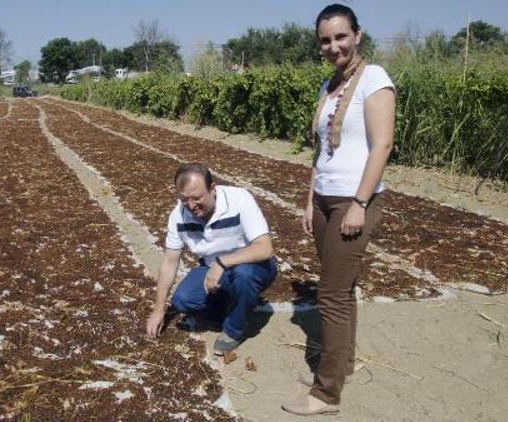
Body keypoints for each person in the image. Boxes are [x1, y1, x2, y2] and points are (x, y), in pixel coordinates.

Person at [280, 3, 397, 416]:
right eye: (325, 40)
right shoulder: (327, 87)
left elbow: (382, 145)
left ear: (357, 35)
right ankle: (341, 366)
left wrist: (360, 204)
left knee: (329, 295)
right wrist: (309, 200)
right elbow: (321, 152)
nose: (333, 46)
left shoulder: (375, 78)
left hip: (353, 200)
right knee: (341, 293)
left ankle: (326, 393)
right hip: (326, 200)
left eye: (341, 37)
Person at [145, 163, 277, 354]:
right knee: (183, 300)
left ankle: (233, 330)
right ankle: (231, 305)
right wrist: (158, 310)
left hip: (253, 265)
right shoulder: (178, 217)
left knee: (244, 276)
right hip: (212, 267)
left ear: (212, 189)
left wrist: (222, 263)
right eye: (184, 199)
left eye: (197, 198)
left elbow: (265, 248)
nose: (191, 206)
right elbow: (170, 261)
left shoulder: (239, 199)